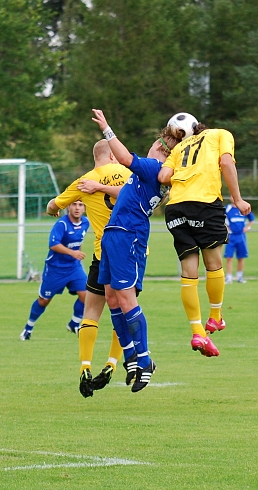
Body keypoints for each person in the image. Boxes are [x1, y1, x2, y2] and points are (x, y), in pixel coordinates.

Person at [90, 108, 180, 392]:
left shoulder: (153, 167)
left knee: (126, 300)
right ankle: (130, 356)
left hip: (128, 236)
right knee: (112, 298)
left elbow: (125, 158)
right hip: (114, 234)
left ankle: (145, 359)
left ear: (160, 149)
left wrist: (107, 129)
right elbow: (126, 192)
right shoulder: (149, 175)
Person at [158, 113, 251, 358]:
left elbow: (163, 177)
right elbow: (227, 163)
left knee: (188, 272)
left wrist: (181, 167)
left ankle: (197, 331)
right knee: (214, 264)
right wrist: (237, 199)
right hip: (204, 203)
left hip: (175, 208)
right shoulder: (220, 134)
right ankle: (215, 316)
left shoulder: (178, 150)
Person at [46, 139, 131, 398]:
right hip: (130, 252)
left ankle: (85, 367)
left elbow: (53, 206)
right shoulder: (128, 172)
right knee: (126, 310)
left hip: (102, 253)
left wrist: (53, 208)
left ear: (95, 156)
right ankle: (112, 364)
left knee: (91, 312)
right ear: (114, 155)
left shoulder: (85, 181)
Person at [21, 201, 90, 341]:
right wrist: (73, 253)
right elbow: (53, 244)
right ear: (68, 207)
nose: (77, 208)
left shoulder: (86, 222)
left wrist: (78, 258)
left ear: (84, 208)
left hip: (74, 267)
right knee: (43, 301)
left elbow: (79, 241)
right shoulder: (62, 224)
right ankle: (28, 328)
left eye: (80, 205)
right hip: (55, 269)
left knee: (87, 295)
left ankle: (74, 324)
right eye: (74, 204)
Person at [224, 203, 255, 284]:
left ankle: (239, 277)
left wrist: (248, 227)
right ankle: (228, 277)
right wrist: (226, 227)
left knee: (241, 257)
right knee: (229, 257)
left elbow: (251, 218)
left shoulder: (243, 207)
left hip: (241, 236)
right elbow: (220, 219)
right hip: (231, 236)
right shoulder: (227, 208)